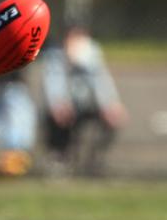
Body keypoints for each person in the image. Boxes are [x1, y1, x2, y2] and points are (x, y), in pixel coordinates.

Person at [40, 25, 128, 175]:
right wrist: (58, 103)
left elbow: (101, 81)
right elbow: (53, 82)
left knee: (113, 120)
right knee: (56, 119)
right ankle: (60, 158)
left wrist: (110, 104)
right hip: (67, 106)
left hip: (89, 104)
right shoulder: (55, 56)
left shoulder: (91, 54)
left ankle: (95, 161)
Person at [0, 71, 37, 177]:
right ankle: (11, 161)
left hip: (13, 86)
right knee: (10, 123)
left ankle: (13, 160)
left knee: (15, 122)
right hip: (7, 86)